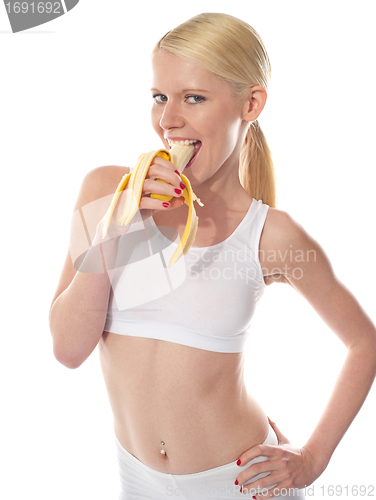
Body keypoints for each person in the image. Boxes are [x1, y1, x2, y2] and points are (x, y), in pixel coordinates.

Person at [49, 12, 376, 500]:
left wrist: (312, 459)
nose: (168, 119)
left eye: (193, 98)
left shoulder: (268, 234)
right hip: (136, 482)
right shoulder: (108, 192)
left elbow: (363, 343)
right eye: (160, 97)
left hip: (240, 484)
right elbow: (68, 349)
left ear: (251, 104)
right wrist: (114, 229)